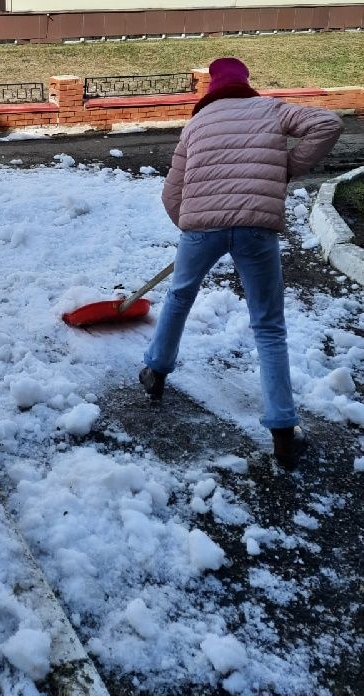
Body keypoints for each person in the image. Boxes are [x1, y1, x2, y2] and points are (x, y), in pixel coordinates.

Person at [139, 57, 343, 469]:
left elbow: (170, 193)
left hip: (201, 230)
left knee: (179, 296)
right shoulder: (270, 108)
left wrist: (193, 225)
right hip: (256, 228)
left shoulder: (196, 124)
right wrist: (286, 167)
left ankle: (156, 373)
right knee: (268, 325)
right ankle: (284, 433)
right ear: (245, 83)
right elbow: (327, 124)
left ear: (211, 88)